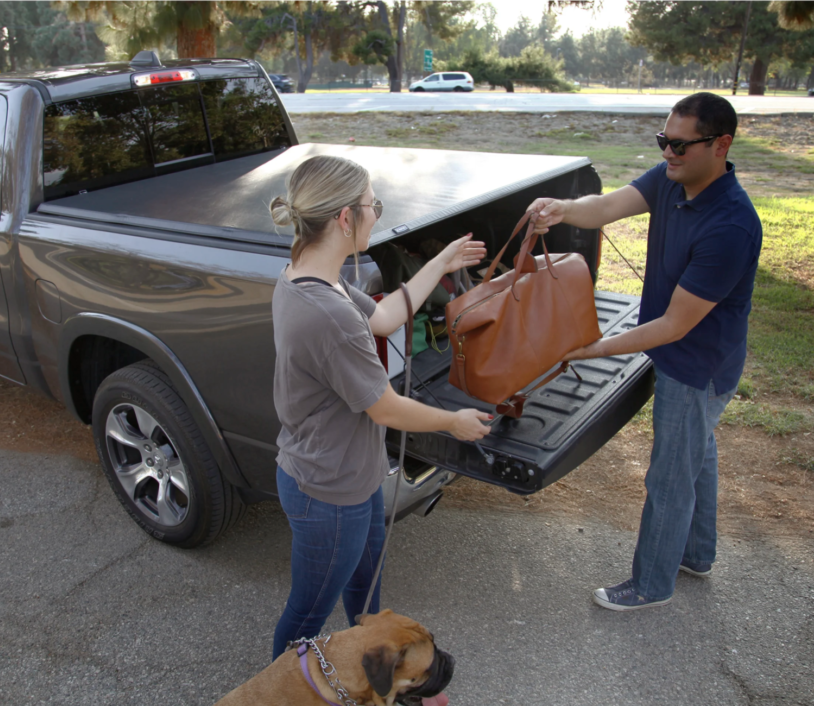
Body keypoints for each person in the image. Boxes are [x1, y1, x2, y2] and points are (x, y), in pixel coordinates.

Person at [526, 92, 763, 611]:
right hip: (689, 357)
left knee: (670, 473)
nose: (668, 153)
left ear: (721, 144)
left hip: (697, 364)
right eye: (663, 141)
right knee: (695, 451)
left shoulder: (730, 225)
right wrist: (562, 208)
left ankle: (651, 584)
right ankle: (696, 553)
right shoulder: (672, 180)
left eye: (680, 144)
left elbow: (675, 325)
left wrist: (590, 349)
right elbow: (608, 206)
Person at [268, 155, 493, 670]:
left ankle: (371, 675)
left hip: (355, 476)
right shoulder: (327, 314)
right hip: (327, 492)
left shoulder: (310, 276)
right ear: (346, 219)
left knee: (367, 596)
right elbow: (385, 408)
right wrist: (453, 422)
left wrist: (441, 262)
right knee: (307, 616)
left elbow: (387, 316)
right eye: (374, 206)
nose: (377, 214)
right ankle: (282, 691)